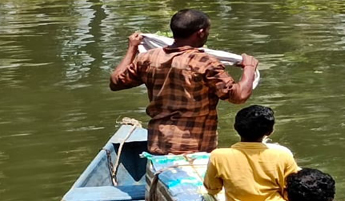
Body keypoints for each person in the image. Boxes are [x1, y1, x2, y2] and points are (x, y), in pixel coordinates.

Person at [109, 9, 257, 155]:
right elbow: (238, 96)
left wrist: (132, 48)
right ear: (200, 32)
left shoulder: (148, 58)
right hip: (194, 146)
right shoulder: (204, 61)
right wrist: (249, 68)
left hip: (158, 142)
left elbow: (116, 82)